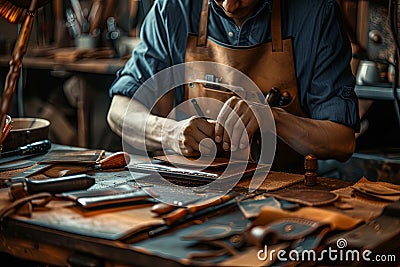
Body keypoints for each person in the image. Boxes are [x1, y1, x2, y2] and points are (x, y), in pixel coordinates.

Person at [107, 0, 360, 173]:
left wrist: (273, 118)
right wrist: (170, 133)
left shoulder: (316, 14)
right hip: (191, 188)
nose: (229, 5)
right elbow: (119, 112)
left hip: (283, 194)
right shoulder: (173, 8)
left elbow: (342, 142)